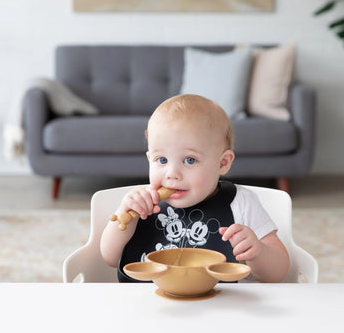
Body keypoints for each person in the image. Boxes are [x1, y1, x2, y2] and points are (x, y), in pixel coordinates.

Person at [101, 94, 290, 283]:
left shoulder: (240, 203)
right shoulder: (142, 204)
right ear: (150, 159)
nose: (172, 174)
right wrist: (125, 218)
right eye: (162, 160)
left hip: (218, 306)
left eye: (189, 160)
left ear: (222, 163)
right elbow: (109, 258)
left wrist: (258, 252)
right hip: (147, 306)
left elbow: (277, 273)